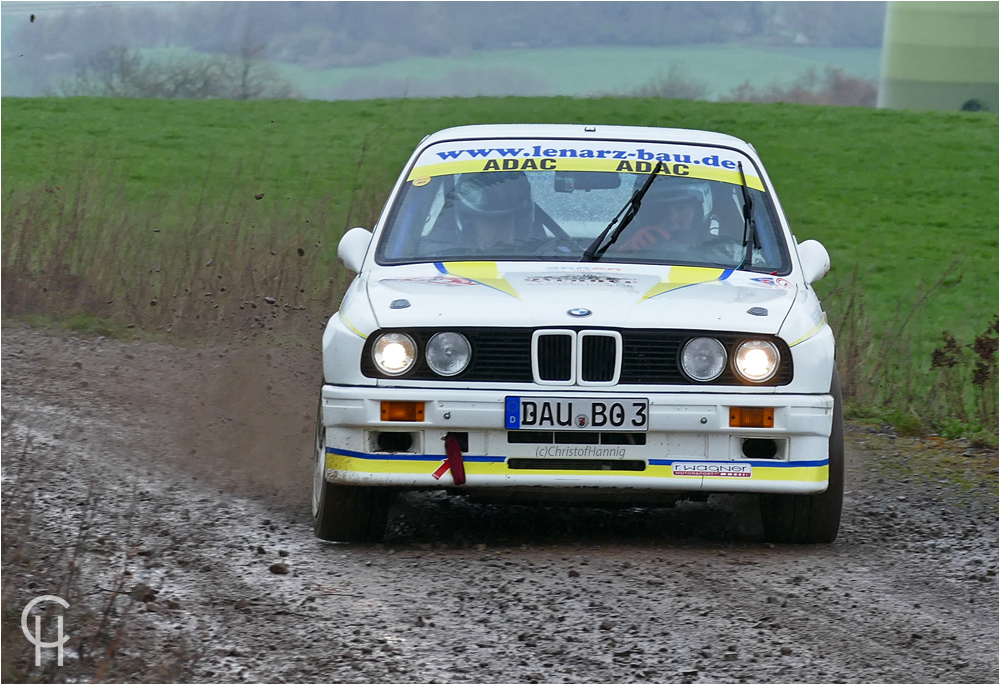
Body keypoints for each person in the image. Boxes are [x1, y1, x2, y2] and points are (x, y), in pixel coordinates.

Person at [620, 176, 715, 251]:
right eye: (662, 209)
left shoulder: (720, 250)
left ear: (700, 211)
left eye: (682, 209)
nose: (673, 217)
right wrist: (631, 249)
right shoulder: (632, 243)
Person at [453, 171, 535, 252]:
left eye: (505, 218)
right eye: (488, 220)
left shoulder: (542, 257)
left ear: (517, 223)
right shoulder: (447, 259)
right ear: (470, 224)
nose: (497, 229)